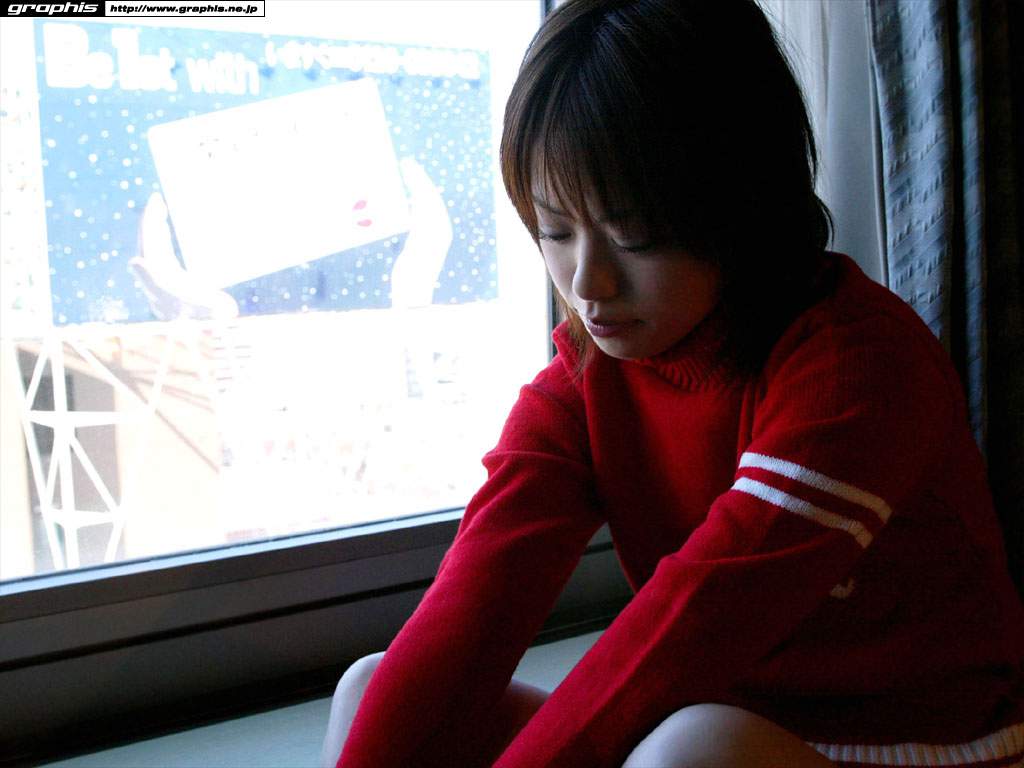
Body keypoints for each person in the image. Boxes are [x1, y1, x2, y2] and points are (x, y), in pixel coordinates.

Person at [322, 0, 1024, 766]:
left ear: (741, 205)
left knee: (690, 749)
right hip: (726, 723)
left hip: (928, 746)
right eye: (556, 231)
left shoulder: (856, 370)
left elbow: (686, 633)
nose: (587, 283)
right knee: (374, 692)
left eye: (635, 237)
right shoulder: (587, 378)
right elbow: (476, 603)